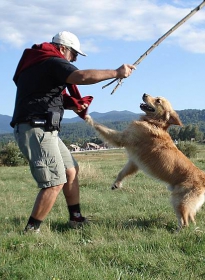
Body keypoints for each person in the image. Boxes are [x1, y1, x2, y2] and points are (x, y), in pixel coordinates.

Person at [10, 31, 135, 233]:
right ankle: (31, 231)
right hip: (37, 128)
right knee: (54, 181)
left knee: (70, 170)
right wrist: (116, 72)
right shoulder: (52, 61)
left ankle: (75, 219)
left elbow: (44, 94)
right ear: (63, 49)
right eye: (74, 54)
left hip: (44, 128)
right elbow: (81, 76)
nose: (75, 59)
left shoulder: (38, 63)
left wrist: (71, 104)